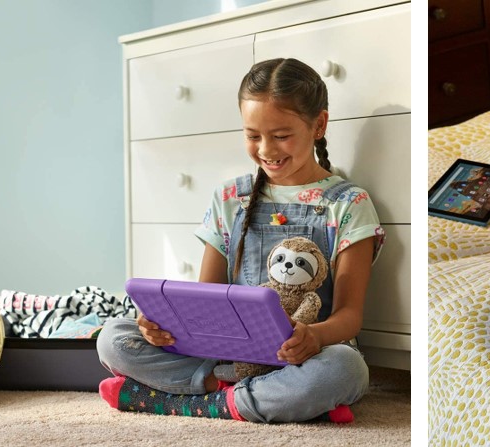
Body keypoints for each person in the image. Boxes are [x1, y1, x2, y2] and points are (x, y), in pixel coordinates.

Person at [95, 58, 384, 423]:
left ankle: (188, 400)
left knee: (345, 370)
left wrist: (313, 335)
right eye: (253, 136)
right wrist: (160, 326)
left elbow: (349, 316)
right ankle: (237, 396)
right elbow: (206, 299)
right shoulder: (230, 198)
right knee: (113, 337)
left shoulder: (349, 203)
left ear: (319, 125)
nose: (266, 150)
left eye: (281, 136)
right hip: (228, 355)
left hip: (307, 354)